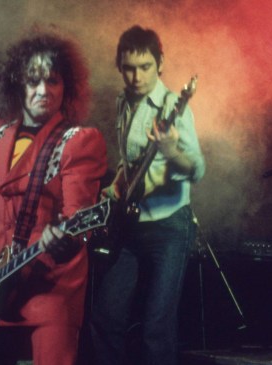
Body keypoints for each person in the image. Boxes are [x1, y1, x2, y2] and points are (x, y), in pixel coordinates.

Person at [0, 31, 107, 365]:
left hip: (49, 288)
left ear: (66, 88)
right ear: (19, 83)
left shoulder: (78, 141)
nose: (43, 91)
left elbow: (78, 217)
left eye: (53, 81)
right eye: (34, 81)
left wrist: (65, 238)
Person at [90, 25, 205, 365]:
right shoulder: (123, 103)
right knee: (105, 318)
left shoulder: (174, 105)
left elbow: (196, 168)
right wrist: (114, 188)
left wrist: (171, 151)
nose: (137, 76)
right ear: (119, 66)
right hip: (131, 226)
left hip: (170, 228)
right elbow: (132, 164)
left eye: (145, 67)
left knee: (156, 327)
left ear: (160, 64)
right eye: (129, 67)